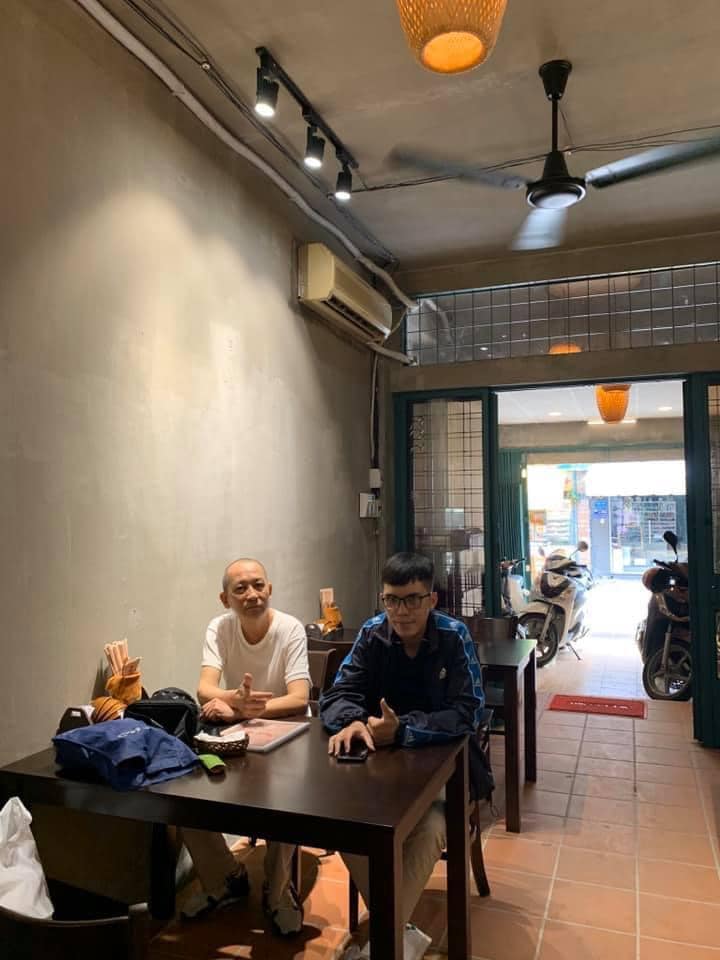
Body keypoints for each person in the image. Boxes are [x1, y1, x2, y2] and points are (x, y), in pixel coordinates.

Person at [319, 552, 486, 960]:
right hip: (382, 770)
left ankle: (385, 944)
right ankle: (399, 935)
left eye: (412, 599)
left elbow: (469, 711)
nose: (401, 610)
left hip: (448, 771)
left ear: (432, 599)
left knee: (430, 828)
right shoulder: (372, 633)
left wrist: (405, 729)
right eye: (392, 600)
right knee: (344, 824)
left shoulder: (454, 636)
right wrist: (352, 721)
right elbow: (338, 693)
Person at [181, 557, 311, 937]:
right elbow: (204, 689)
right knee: (182, 790)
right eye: (240, 589)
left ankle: (279, 892)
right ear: (226, 599)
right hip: (236, 733)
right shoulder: (220, 627)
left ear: (270, 589)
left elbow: (299, 698)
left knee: (288, 798)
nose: (252, 594)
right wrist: (235, 703)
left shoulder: (290, 628)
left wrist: (243, 707)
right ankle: (224, 878)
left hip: (288, 732)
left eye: (258, 585)